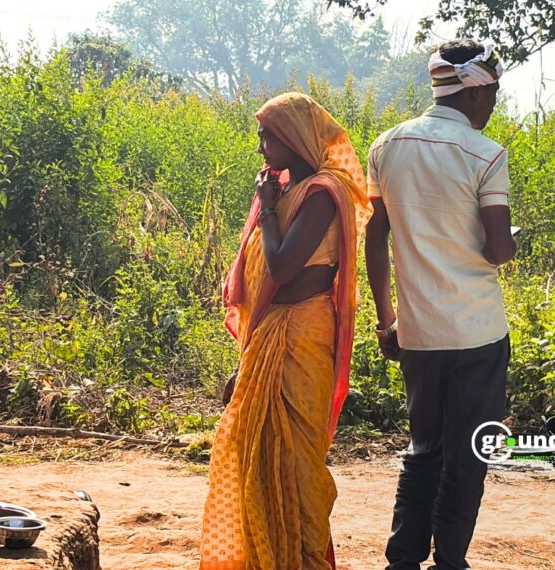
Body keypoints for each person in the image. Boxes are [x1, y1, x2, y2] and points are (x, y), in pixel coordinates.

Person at [200, 92, 373, 570]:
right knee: (252, 456)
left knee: (296, 469)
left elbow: (281, 265)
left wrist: (269, 209)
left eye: (267, 136)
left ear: (295, 138)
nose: (260, 147)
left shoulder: (321, 192)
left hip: (303, 336)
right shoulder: (285, 189)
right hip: (273, 333)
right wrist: (246, 363)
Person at [364, 39, 517, 570]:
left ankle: (403, 558)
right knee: (470, 454)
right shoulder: (486, 154)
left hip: (420, 335)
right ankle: (450, 560)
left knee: (423, 450)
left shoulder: (386, 147)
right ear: (475, 93)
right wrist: (510, 240)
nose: (495, 104)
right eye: (493, 93)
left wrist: (387, 322)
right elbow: (498, 251)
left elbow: (375, 235)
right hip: (477, 333)